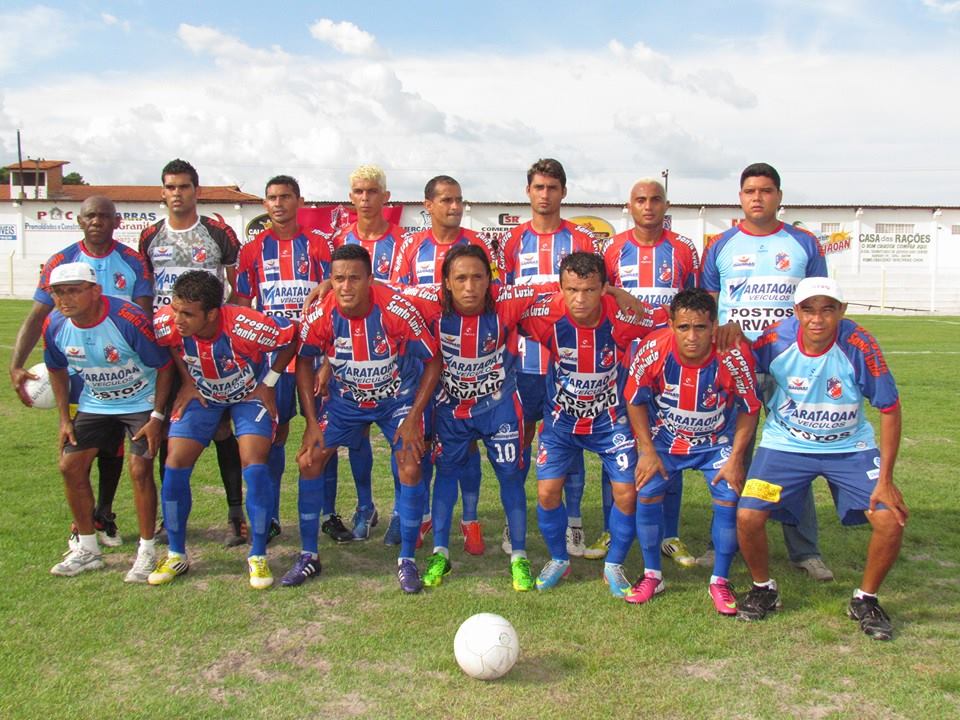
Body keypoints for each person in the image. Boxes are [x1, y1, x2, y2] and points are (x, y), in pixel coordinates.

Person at [736, 277, 907, 640]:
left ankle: (866, 599)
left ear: (841, 312)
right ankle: (763, 587)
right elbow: (744, 384)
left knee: (890, 520)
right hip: (785, 445)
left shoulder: (859, 344)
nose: (817, 319)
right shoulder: (774, 340)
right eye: (809, 310)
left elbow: (890, 407)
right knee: (748, 514)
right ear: (796, 312)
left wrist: (887, 480)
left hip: (849, 448)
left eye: (828, 309)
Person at [700, 162, 834, 581]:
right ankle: (723, 542)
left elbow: (818, 302)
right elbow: (708, 303)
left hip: (789, 364)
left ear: (779, 196)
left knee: (796, 452)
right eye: (750, 191)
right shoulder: (720, 245)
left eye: (766, 190)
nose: (757, 197)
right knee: (729, 454)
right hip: (734, 364)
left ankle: (804, 550)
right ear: (740, 197)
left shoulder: (803, 243)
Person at [286, 244, 441, 593]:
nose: (345, 286)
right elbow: (304, 363)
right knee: (309, 460)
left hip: (396, 400)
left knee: (410, 464)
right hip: (345, 403)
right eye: (338, 278)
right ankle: (309, 555)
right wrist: (312, 422)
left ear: (369, 279)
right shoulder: (319, 315)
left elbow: (432, 361)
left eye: (354, 278)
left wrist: (414, 416)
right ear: (330, 279)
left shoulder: (396, 310)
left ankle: (407, 560)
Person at [400, 244, 554, 591]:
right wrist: (327, 289)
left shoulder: (508, 302)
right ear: (446, 283)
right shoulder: (428, 303)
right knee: (445, 476)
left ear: (490, 280)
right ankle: (441, 552)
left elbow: (561, 288)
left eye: (478, 278)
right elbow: (380, 291)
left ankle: (519, 557)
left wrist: (613, 291)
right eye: (461, 278)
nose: (470, 287)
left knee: (511, 479)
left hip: (498, 408)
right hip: (451, 410)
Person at [11, 195, 154, 548]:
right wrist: (16, 365)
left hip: (123, 367)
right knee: (77, 442)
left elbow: (142, 318)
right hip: (78, 367)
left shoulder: (133, 261)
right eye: (90, 216)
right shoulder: (61, 261)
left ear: (116, 222)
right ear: (80, 220)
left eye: (105, 216)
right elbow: (38, 316)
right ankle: (83, 522)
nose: (97, 222)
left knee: (116, 446)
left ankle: (104, 514)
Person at [517, 251, 656, 593]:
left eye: (590, 290)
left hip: (610, 423)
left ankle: (614, 565)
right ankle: (559, 559)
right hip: (561, 424)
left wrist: (624, 295)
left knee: (626, 493)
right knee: (547, 492)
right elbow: (504, 312)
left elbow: (669, 322)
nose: (580, 299)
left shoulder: (623, 316)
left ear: (604, 288)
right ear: (560, 288)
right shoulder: (544, 314)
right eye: (572, 290)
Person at [150, 271, 298, 589]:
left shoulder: (247, 324)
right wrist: (188, 381)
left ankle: (258, 556)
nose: (177, 319)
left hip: (248, 396)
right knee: (174, 462)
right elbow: (170, 345)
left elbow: (291, 338)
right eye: (175, 309)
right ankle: (176, 554)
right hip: (204, 395)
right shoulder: (166, 321)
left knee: (254, 464)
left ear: (213, 313)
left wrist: (269, 383)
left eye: (187, 314)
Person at [625, 289, 760, 612]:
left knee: (729, 500)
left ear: (714, 326)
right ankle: (652, 575)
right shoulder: (653, 350)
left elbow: (750, 408)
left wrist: (737, 459)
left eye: (701, 327)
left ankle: (720, 581)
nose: (692, 336)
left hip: (715, 444)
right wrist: (647, 451)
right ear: (671, 324)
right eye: (684, 327)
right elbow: (635, 400)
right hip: (665, 441)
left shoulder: (732, 354)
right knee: (646, 492)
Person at [139, 159, 247, 546]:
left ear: (196, 191)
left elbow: (240, 290)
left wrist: (233, 335)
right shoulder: (150, 236)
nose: (177, 193)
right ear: (162, 192)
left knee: (223, 429)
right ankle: (171, 521)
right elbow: (147, 292)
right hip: (168, 345)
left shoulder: (218, 234)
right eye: (170, 187)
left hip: (214, 345)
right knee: (168, 427)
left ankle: (236, 515)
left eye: (184, 186)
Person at [42, 263, 172, 581]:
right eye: (58, 292)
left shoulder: (127, 320)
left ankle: (146, 552)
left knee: (140, 468)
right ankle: (87, 549)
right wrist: (64, 419)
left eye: (73, 290)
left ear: (95, 291)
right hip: (96, 402)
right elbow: (56, 369)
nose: (64, 299)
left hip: (141, 401)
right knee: (69, 466)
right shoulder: (55, 324)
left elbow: (165, 365)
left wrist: (157, 417)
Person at [393, 175, 500, 555]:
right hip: (421, 364)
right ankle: (417, 517)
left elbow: (496, 296)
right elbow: (396, 298)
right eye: (446, 200)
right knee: (418, 444)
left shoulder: (478, 243)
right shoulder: (409, 245)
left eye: (458, 200)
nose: (454, 207)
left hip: (465, 363)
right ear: (428, 204)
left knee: (465, 447)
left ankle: (470, 520)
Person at [602, 178, 701, 566]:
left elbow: (697, 303)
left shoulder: (683, 249)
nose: (648, 206)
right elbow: (601, 292)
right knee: (619, 448)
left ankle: (669, 534)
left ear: (666, 204)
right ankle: (613, 527)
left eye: (655, 199)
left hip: (671, 367)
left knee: (668, 447)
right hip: (623, 363)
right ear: (630, 206)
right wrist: (619, 293)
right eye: (640, 200)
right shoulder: (613, 247)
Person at [501, 159, 596, 560]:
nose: (545, 194)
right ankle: (514, 520)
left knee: (568, 445)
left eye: (552, 187)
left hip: (568, 363)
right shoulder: (512, 242)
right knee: (519, 444)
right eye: (538, 187)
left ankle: (574, 524)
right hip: (522, 363)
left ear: (563, 192)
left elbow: (596, 299)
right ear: (528, 192)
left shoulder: (582, 240)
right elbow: (504, 301)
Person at [235, 175, 332, 544]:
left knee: (322, 434)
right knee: (274, 434)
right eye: (272, 198)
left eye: (286, 197)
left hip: (314, 355)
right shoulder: (252, 251)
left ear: (299, 201)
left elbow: (335, 302)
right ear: (264, 204)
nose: (279, 203)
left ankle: (329, 514)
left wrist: (329, 361)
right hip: (272, 362)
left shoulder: (320, 246)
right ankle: (270, 515)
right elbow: (243, 308)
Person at [324, 164, 413, 546]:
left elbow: (410, 297)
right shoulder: (338, 238)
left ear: (385, 197)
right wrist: (328, 363)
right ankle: (365, 507)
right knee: (356, 437)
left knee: (399, 440)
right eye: (358, 191)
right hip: (348, 358)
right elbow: (331, 298)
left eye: (372, 191)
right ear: (351, 197)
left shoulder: (405, 241)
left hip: (394, 355)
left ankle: (398, 513)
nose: (365, 198)